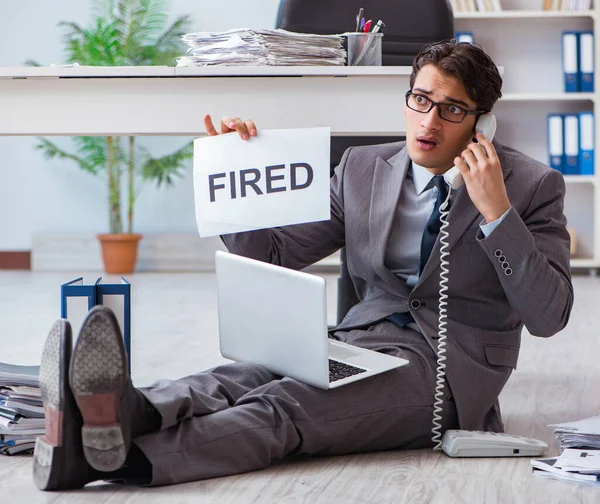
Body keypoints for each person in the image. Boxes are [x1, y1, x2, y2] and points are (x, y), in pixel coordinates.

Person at [33, 40, 573, 490]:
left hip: (448, 373)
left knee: (285, 406)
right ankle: (116, 414)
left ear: (484, 123)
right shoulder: (363, 168)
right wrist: (237, 176)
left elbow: (549, 315)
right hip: (362, 341)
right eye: (421, 100)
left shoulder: (530, 187)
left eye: (452, 109)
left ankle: (118, 457)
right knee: (235, 377)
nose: (429, 121)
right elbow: (269, 256)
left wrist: (497, 213)